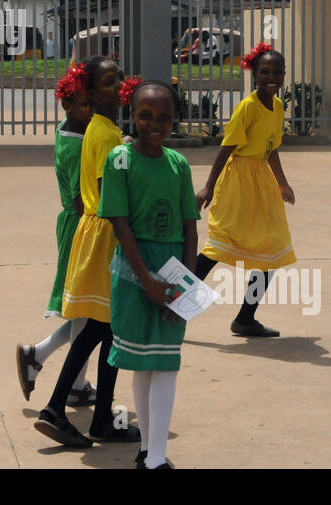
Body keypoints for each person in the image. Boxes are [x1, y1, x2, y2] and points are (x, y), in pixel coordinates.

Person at [34, 57, 141, 448]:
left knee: (103, 328)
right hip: (106, 235)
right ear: (92, 94)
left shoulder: (103, 129)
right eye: (109, 82)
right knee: (106, 328)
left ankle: (75, 413)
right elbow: (112, 193)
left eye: (120, 79)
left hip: (96, 233)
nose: (118, 87)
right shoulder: (106, 135)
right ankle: (74, 412)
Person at [102, 80, 199, 469]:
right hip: (134, 272)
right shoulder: (120, 159)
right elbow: (121, 226)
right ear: (132, 115)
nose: (154, 124)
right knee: (143, 362)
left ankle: (154, 456)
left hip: (172, 273)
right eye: (145, 116)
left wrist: (183, 289)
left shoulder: (179, 164)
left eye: (164, 117)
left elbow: (191, 228)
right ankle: (149, 451)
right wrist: (148, 283)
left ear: (175, 120)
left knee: (165, 362)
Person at [194, 42, 296, 337]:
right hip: (237, 180)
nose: (271, 77)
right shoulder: (248, 107)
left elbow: (271, 149)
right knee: (219, 246)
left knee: (273, 248)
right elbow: (227, 147)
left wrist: (282, 183)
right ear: (254, 74)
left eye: (277, 71)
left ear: (285, 74)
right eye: (265, 72)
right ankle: (171, 308)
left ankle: (245, 319)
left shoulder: (277, 106)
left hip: (260, 180)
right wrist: (208, 187)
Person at [15, 64, 96, 406]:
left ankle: (42, 356)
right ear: (67, 106)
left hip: (74, 225)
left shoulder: (69, 129)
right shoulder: (77, 145)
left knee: (86, 311)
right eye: (84, 104)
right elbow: (81, 199)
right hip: (81, 226)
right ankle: (71, 380)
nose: (91, 110)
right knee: (87, 310)